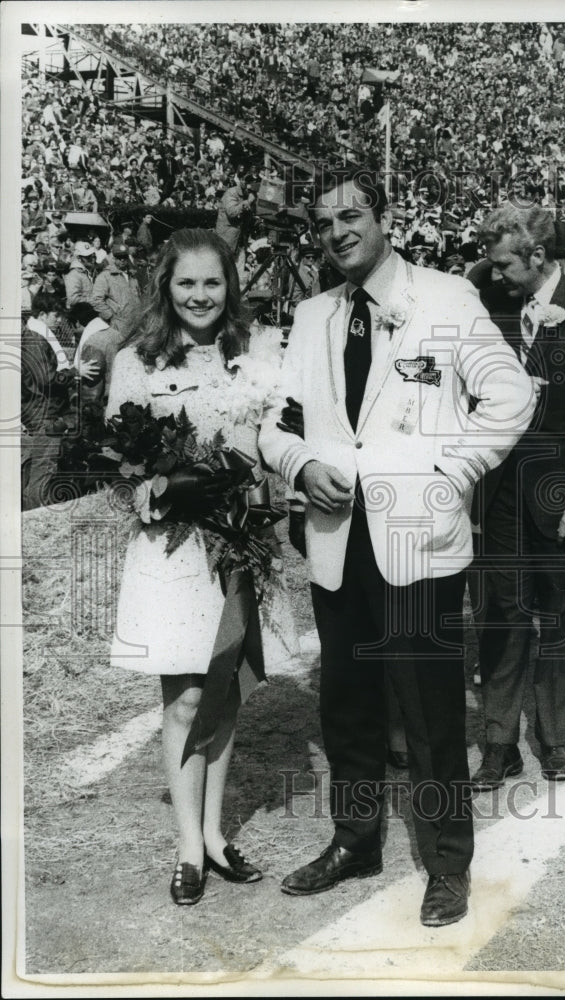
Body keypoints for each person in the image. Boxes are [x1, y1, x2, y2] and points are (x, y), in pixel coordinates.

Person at [259, 168, 534, 927]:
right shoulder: (313, 314)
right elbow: (275, 423)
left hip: (418, 538)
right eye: (323, 222)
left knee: (430, 710)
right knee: (345, 701)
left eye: (352, 215)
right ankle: (357, 841)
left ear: (385, 218)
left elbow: (512, 394)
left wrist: (453, 469)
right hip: (336, 540)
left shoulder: (444, 297)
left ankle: (447, 865)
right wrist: (301, 463)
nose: (338, 231)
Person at [106, 229, 295, 906]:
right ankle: (188, 844)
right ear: (166, 286)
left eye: (212, 282)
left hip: (242, 545)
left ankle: (214, 835)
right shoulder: (138, 360)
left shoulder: (258, 349)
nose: (199, 296)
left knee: (227, 689)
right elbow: (125, 459)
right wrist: (153, 488)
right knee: (185, 697)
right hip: (176, 548)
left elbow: (276, 435)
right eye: (186, 283)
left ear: (230, 285)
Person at [470, 203, 565, 787]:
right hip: (499, 491)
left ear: (538, 257)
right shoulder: (487, 304)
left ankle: (555, 740)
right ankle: (498, 742)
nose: (498, 272)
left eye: (507, 263)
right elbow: (449, 375)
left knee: (559, 616)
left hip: (563, 493)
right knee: (500, 615)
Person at [21, 292, 99, 509]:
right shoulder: (35, 338)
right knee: (43, 469)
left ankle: (35, 510)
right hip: (44, 412)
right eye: (55, 315)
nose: (60, 320)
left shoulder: (38, 335)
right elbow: (44, 378)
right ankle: (35, 516)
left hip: (41, 409)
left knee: (44, 467)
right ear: (43, 314)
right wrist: (75, 371)